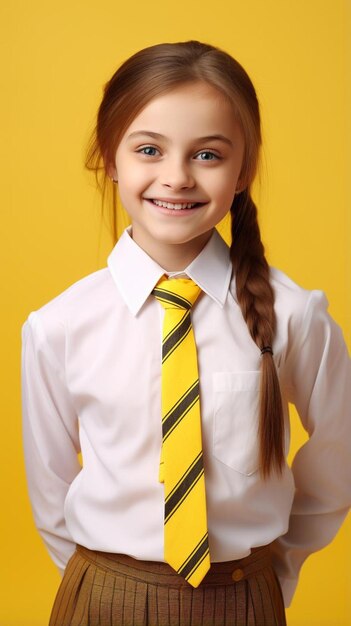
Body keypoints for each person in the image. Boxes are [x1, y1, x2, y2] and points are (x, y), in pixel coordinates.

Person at [21, 41, 351, 626]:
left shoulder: (295, 314)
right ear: (111, 158)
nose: (175, 178)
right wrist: (99, 588)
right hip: (101, 596)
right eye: (149, 149)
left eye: (207, 155)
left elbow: (339, 453)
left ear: (244, 168)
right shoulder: (59, 326)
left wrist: (279, 570)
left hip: (242, 596)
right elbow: (50, 487)